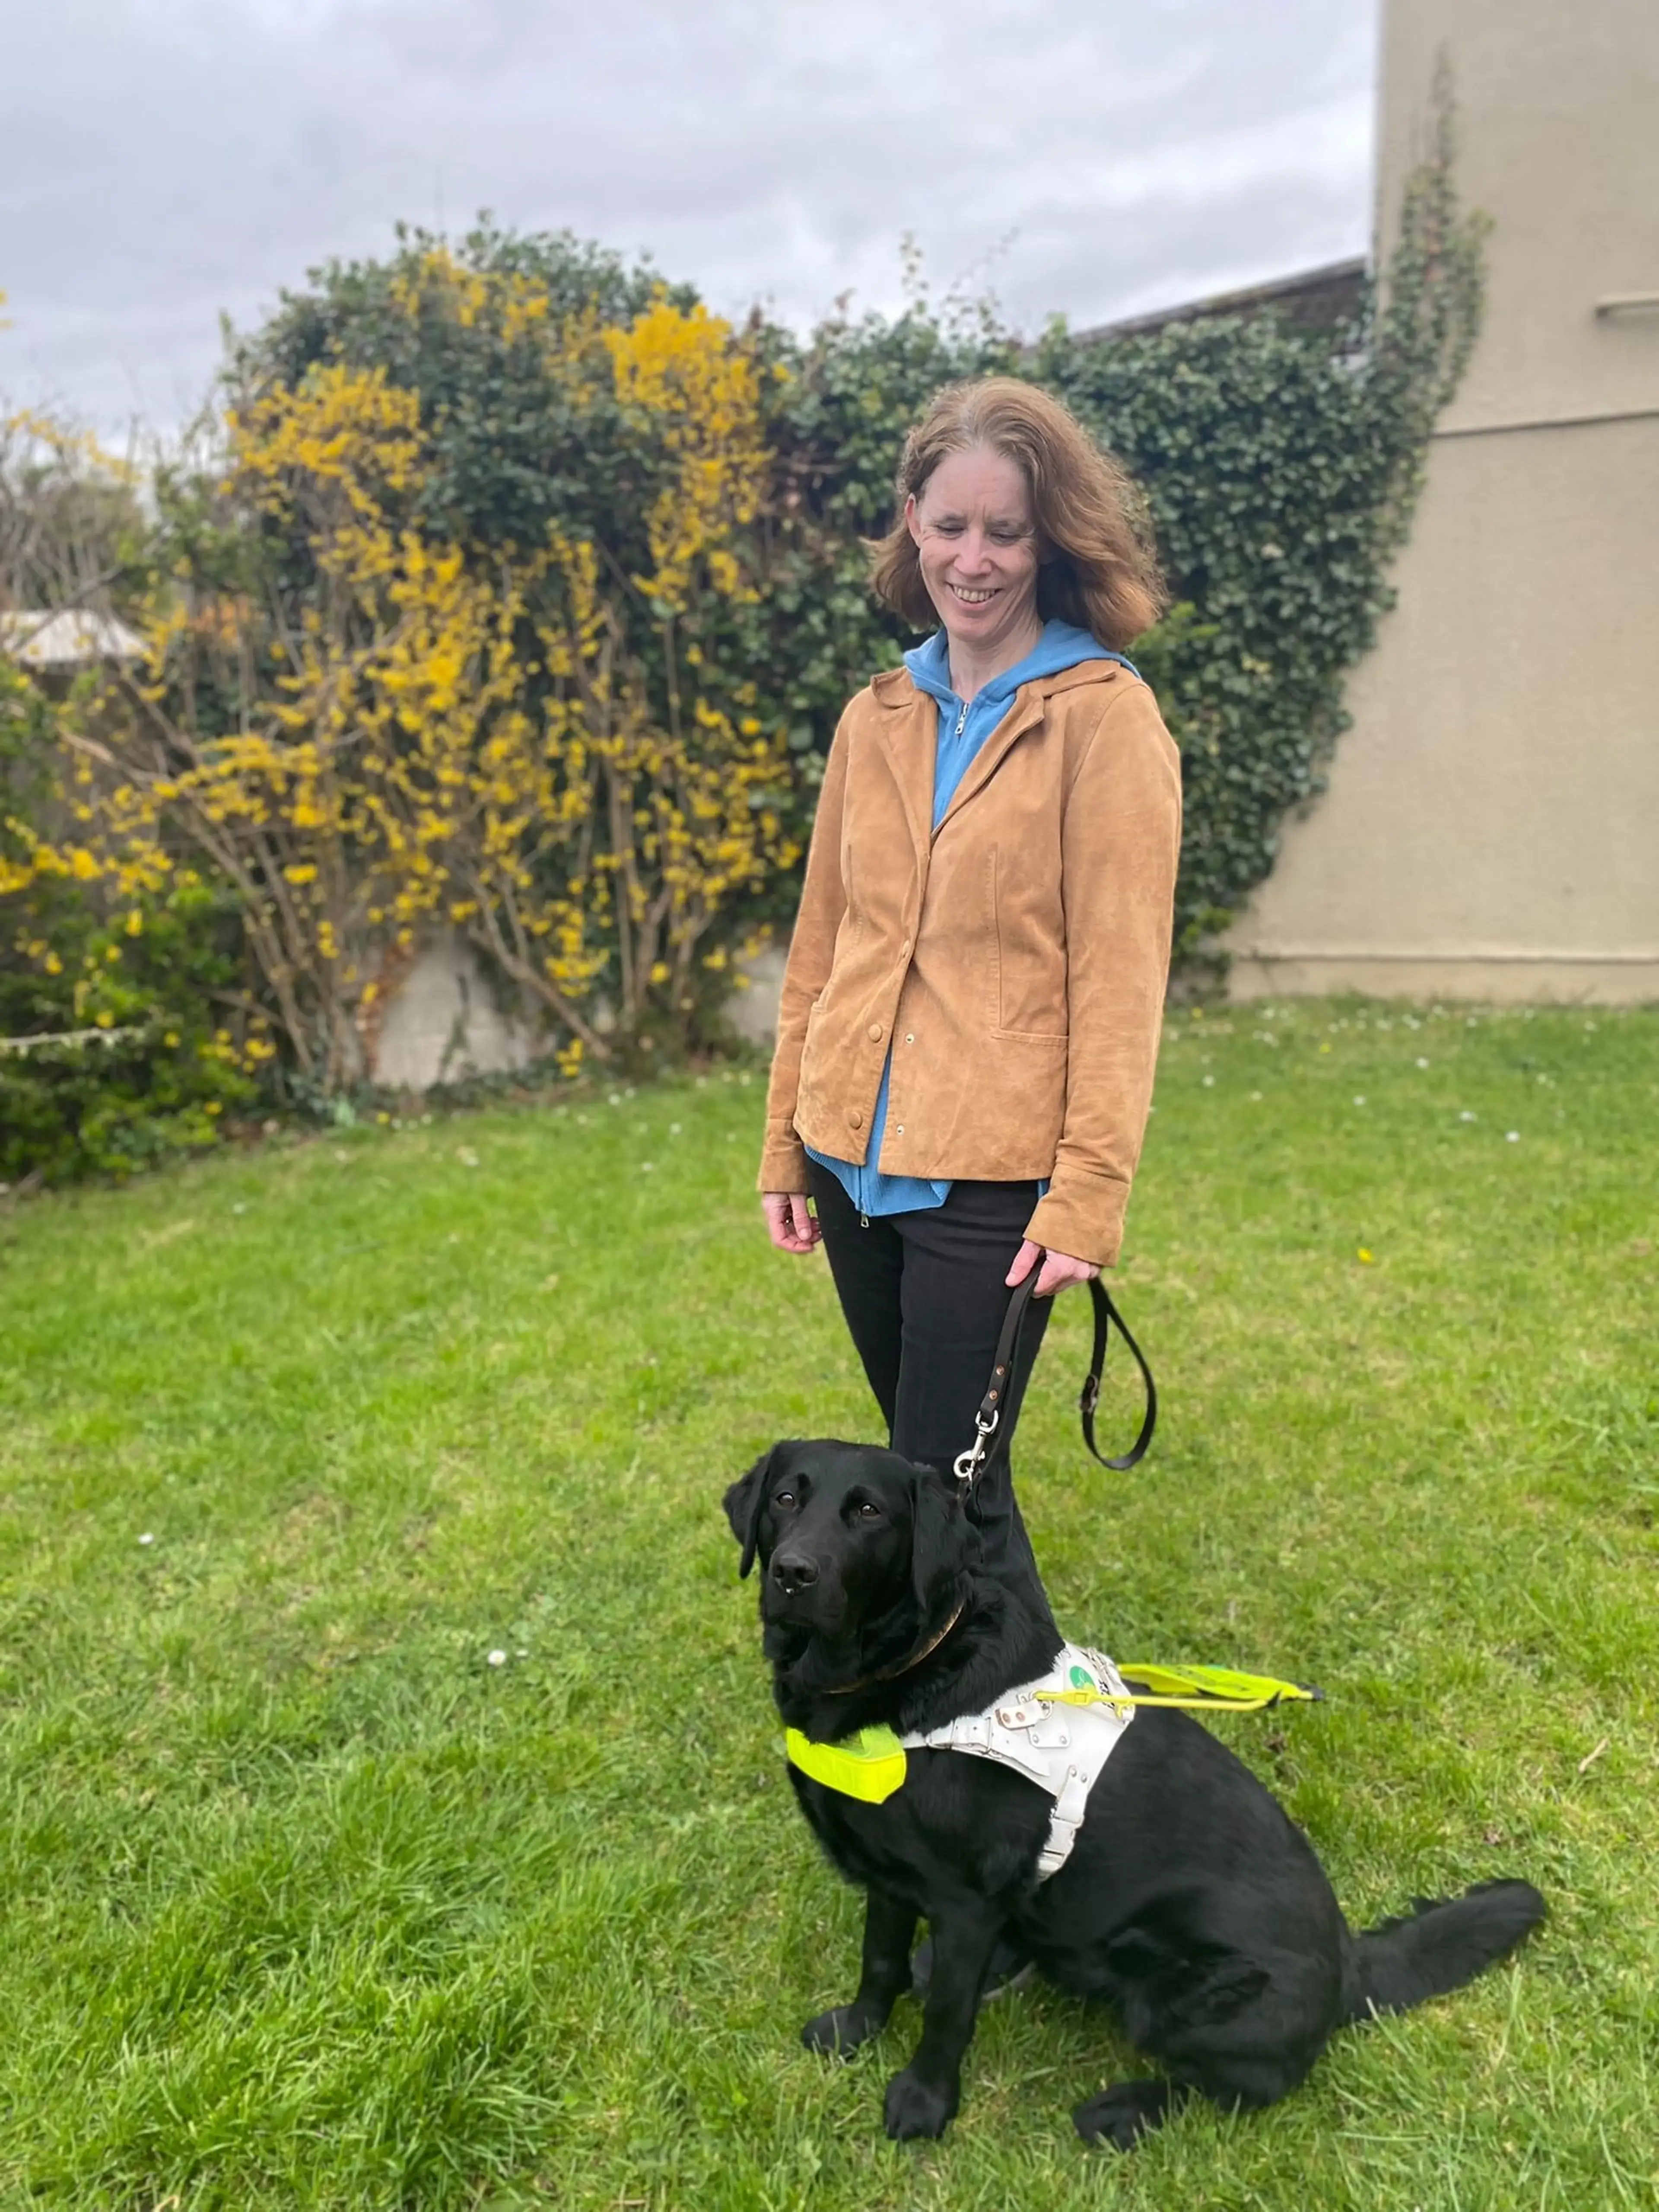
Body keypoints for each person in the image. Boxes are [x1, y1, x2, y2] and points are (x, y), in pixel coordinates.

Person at [759, 373, 1180, 1590]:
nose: (976, 559)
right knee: (940, 1471)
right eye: (951, 526)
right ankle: (991, 1696)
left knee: (942, 1477)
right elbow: (820, 945)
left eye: (1006, 530)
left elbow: (1120, 976)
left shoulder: (1105, 720)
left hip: (991, 1179)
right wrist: (788, 1142)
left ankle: (982, 1705)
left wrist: (1088, 1195)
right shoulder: (875, 713)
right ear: (911, 522)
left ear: (1052, 535)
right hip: (850, 1160)